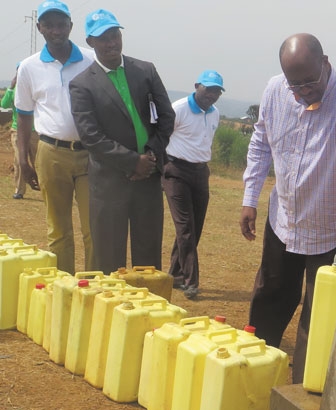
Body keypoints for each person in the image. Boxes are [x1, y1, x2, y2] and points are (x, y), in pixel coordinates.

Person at [240, 33, 336, 384]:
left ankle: (304, 390)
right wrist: (250, 198)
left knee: (319, 313)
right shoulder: (275, 90)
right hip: (285, 219)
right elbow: (261, 142)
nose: (303, 91)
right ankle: (251, 375)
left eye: (309, 82)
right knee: (269, 297)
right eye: (295, 84)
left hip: (331, 229)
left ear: (326, 64)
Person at [69, 9, 175, 274]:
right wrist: (132, 162)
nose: (111, 42)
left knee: (148, 259)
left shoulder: (145, 70)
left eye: (115, 34)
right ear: (91, 42)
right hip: (108, 183)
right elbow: (90, 136)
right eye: (103, 37)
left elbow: (167, 117)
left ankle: (148, 312)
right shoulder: (81, 85)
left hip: (148, 179)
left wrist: (149, 156)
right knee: (108, 260)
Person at [14, 0, 95, 273]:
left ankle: (95, 288)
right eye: (49, 25)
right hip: (50, 153)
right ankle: (66, 288)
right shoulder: (29, 67)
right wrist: (24, 158)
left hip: (90, 154)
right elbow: (24, 114)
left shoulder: (90, 59)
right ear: (40, 28)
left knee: (93, 228)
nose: (56, 30)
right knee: (58, 231)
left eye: (62, 24)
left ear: (70, 26)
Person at [162, 70, 224, 300]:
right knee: (185, 228)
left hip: (200, 172)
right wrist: (162, 170)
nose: (212, 95)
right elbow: (161, 136)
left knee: (194, 229)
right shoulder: (178, 108)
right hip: (176, 171)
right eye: (208, 89)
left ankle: (176, 275)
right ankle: (191, 281)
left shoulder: (215, 113)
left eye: (217, 91)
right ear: (197, 85)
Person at [2, 64, 39, 200]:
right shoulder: (14, 89)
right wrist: (10, 88)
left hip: (36, 131)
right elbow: (4, 104)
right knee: (19, 161)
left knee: (39, 161)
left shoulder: (35, 86)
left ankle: (45, 187)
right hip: (17, 131)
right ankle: (19, 190)